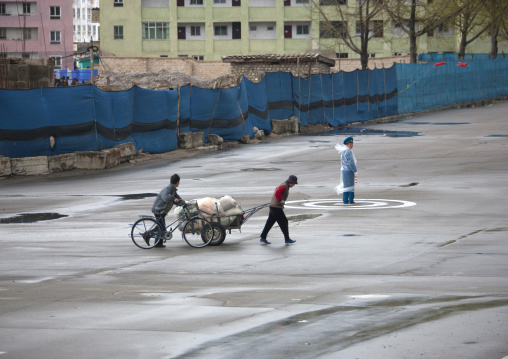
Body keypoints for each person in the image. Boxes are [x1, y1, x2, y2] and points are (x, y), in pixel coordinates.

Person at [260, 175, 298, 245]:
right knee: (284, 221)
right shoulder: (284, 186)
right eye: (294, 183)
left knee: (270, 222)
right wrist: (281, 200)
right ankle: (287, 239)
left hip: (273, 206)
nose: (293, 185)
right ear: (291, 182)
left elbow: (276, 189)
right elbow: (277, 192)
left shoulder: (284, 185)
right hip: (276, 207)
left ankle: (263, 237)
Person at [149, 174, 183, 248]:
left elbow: (177, 198)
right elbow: (165, 196)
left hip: (161, 210)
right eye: (179, 182)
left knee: (161, 227)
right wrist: (173, 199)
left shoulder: (172, 189)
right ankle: (148, 236)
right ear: (177, 182)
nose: (179, 183)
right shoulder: (169, 188)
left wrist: (184, 203)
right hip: (159, 209)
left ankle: (158, 243)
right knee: (161, 227)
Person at [340, 136, 358, 204]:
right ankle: (351, 200)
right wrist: (355, 170)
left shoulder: (343, 152)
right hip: (349, 170)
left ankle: (345, 200)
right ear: (347, 144)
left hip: (343, 170)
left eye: (352, 144)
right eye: (350, 144)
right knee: (351, 185)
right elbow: (351, 162)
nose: (351, 145)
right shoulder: (349, 152)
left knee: (345, 186)